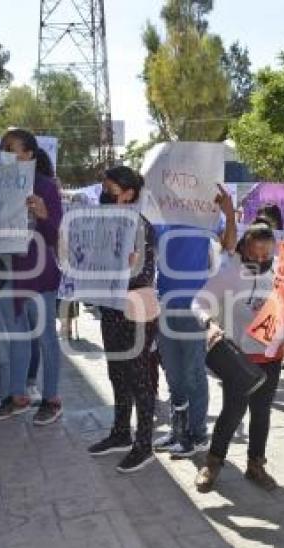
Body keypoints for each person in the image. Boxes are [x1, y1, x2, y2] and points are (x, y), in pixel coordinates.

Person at [191, 223, 282, 493]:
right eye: (256, 254)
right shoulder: (230, 274)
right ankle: (213, 462)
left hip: (271, 356)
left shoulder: (282, 274)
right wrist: (209, 323)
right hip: (239, 360)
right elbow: (198, 302)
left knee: (261, 413)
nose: (262, 260)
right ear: (244, 249)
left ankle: (256, 465)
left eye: (268, 255)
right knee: (233, 411)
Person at [0, 129, 63, 426]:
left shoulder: (45, 186)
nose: (5, 152)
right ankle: (17, 396)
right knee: (18, 338)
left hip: (39, 273)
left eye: (11, 147)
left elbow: (57, 234)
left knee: (45, 339)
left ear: (29, 154)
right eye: (2, 147)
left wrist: (44, 214)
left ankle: (52, 398)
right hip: (8, 273)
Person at [88, 166, 161, 474]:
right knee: (117, 373)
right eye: (103, 189)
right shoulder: (103, 224)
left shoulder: (139, 226)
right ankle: (120, 432)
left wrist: (125, 268)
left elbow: (142, 275)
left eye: (111, 190)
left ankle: (144, 445)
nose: (105, 195)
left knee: (140, 378)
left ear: (128, 194)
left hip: (137, 309)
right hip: (111, 308)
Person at [153, 186, 236, 457]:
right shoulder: (159, 216)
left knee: (193, 372)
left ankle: (198, 434)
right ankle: (179, 430)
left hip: (195, 305)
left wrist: (229, 212)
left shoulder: (207, 215)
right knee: (174, 373)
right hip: (165, 302)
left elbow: (231, 245)